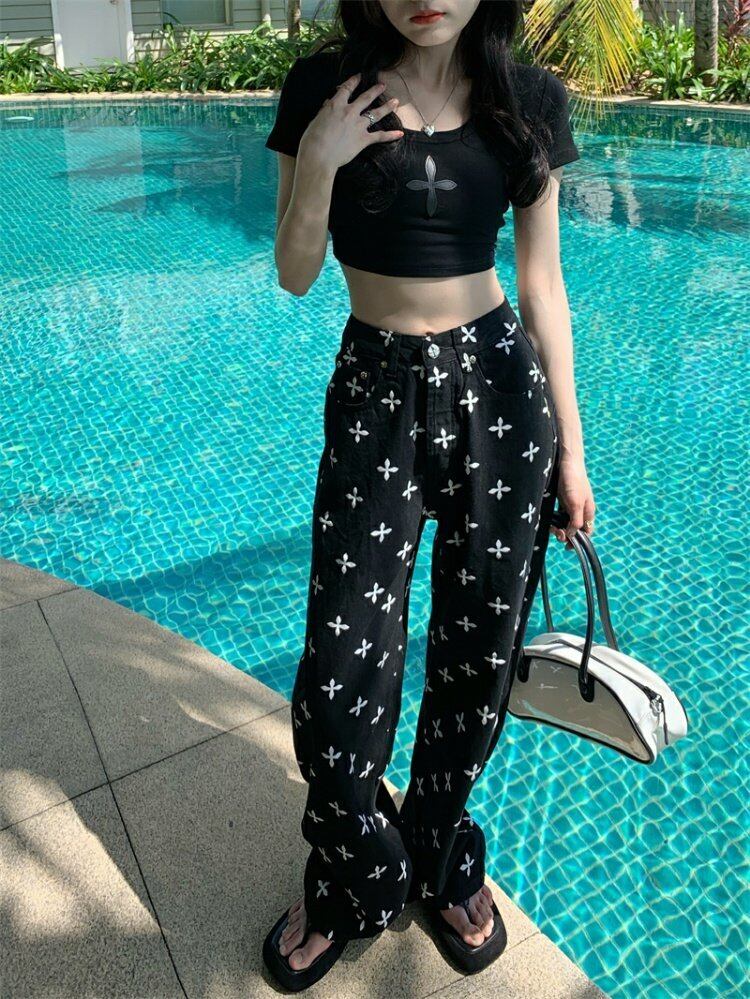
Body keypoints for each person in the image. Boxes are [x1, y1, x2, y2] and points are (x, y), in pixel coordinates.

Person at [261, 0, 595, 990]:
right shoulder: (324, 91)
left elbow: (543, 287)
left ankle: (440, 851)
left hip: (502, 389)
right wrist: (319, 159)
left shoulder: (526, 100)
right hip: (378, 388)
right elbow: (293, 273)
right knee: (338, 675)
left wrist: (573, 453)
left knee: (476, 654)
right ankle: (353, 875)